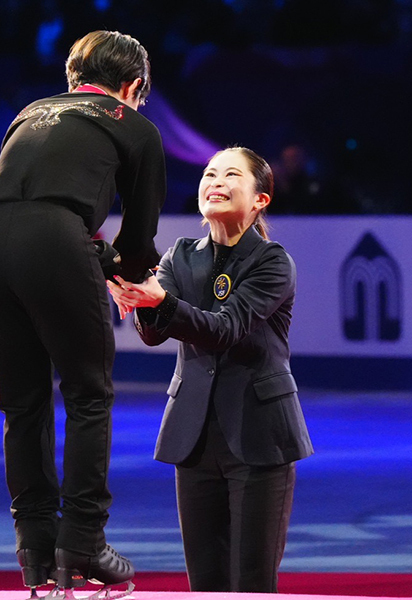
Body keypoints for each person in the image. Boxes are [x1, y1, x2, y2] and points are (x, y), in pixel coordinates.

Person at [0, 30, 165, 595]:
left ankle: (33, 547)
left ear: (74, 79)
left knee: (22, 400)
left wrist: (95, 259)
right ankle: (84, 541)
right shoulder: (136, 127)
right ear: (132, 87)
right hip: (53, 238)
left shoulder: (30, 112)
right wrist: (121, 274)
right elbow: (140, 239)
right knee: (87, 392)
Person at [107, 147, 313, 593]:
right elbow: (153, 334)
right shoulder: (181, 255)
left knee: (252, 580)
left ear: (260, 199)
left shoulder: (273, 261)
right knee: (206, 583)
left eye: (231, 175)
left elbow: (227, 328)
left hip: (260, 435)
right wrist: (138, 298)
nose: (215, 182)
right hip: (194, 436)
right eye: (209, 174)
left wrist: (160, 301)